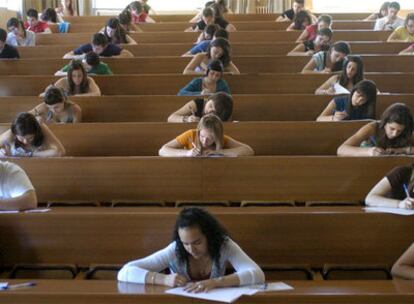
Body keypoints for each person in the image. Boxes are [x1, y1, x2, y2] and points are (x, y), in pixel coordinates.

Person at [118, 207, 264, 289]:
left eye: (197, 242)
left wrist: (216, 282)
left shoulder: (223, 245)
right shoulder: (175, 249)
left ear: (210, 236)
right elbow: (125, 272)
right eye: (186, 244)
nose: (191, 249)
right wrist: (162, 279)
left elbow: (257, 274)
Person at [337, 103, 414, 156]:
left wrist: (404, 150)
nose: (394, 134)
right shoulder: (372, 127)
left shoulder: (408, 130)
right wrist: (368, 151)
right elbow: (341, 150)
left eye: (399, 131)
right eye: (392, 128)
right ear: (384, 122)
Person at [159, 114, 254, 157]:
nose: (204, 141)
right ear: (199, 131)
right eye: (202, 136)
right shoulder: (191, 134)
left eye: (210, 138)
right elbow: (162, 150)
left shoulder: (222, 139)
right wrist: (187, 153)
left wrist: (220, 152)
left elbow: (249, 150)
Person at [0, 112, 65, 157]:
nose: (25, 141)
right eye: (21, 138)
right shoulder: (10, 134)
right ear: (15, 134)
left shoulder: (40, 128)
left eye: (30, 138)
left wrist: (30, 154)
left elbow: (60, 152)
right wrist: (2, 152)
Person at [168, 92, 233, 122]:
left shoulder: (224, 111)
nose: (210, 110)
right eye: (210, 105)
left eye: (214, 112)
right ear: (209, 99)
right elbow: (171, 118)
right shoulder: (197, 104)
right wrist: (187, 119)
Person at [63, 33, 133, 59]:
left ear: (105, 46)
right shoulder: (87, 47)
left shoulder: (110, 47)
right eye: (94, 47)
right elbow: (66, 56)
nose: (95, 51)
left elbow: (129, 55)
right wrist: (81, 56)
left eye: (98, 49)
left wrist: (111, 58)